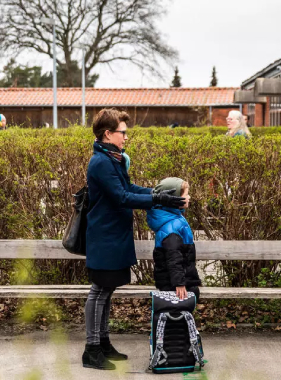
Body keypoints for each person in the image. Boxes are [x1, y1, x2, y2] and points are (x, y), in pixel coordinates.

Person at [83, 109, 186, 371]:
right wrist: (158, 199)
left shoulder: (112, 159)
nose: (126, 137)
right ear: (108, 134)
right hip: (104, 236)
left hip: (114, 236)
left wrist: (156, 192)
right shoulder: (101, 162)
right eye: (123, 132)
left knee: (107, 291)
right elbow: (122, 197)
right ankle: (91, 349)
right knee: (99, 291)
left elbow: (129, 189)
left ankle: (103, 343)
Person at [147, 177, 201, 300]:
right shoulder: (171, 227)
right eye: (186, 195)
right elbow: (173, 257)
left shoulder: (174, 218)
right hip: (174, 285)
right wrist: (179, 283)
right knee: (178, 312)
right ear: (175, 199)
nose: (189, 197)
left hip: (179, 281)